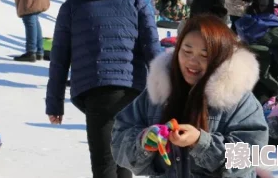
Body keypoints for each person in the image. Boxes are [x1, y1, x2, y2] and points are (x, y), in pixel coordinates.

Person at [46, 0, 162, 178]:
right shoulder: (136, 1)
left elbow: (59, 59)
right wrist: (164, 93)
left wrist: (54, 103)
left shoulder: (71, 7)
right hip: (131, 90)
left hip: (95, 90)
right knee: (124, 159)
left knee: (104, 163)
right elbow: (153, 51)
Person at [111, 15, 268, 177]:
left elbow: (249, 155)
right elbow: (120, 138)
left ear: (220, 57)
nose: (192, 61)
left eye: (204, 55)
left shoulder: (238, 99)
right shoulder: (159, 90)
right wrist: (144, 142)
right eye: (187, 51)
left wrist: (200, 142)